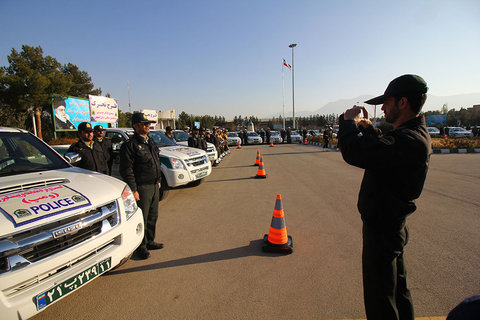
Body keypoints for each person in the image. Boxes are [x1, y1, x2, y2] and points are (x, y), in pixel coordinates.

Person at [337, 74, 431, 320]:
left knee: (381, 300)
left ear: (403, 103)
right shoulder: (410, 135)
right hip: (389, 226)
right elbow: (385, 145)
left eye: (386, 102)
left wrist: (348, 123)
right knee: (397, 293)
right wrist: (368, 128)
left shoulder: (410, 140)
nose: (381, 108)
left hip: (384, 230)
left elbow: (356, 152)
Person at [120, 113, 164, 260]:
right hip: (142, 187)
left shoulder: (150, 141)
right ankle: (141, 247)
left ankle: (150, 241)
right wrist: (133, 189)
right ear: (135, 126)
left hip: (153, 185)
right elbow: (127, 169)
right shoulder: (130, 145)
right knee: (142, 218)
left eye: (148, 123)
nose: (148, 126)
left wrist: (158, 179)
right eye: (144, 123)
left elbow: (156, 161)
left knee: (153, 216)